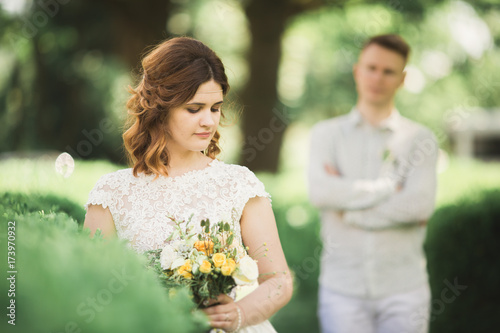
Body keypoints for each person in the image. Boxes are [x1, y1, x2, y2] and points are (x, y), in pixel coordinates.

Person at [83, 37, 292, 333]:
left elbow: (279, 280)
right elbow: (90, 288)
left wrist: (238, 313)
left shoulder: (239, 184)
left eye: (215, 108)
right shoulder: (110, 193)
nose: (209, 121)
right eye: (194, 109)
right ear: (160, 108)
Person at [308, 34, 439, 333]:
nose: (378, 77)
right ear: (357, 71)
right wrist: (388, 189)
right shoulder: (325, 135)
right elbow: (320, 192)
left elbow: (419, 205)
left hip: (405, 290)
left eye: (388, 71)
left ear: (402, 79)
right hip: (342, 290)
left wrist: (350, 208)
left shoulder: (420, 139)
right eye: (371, 68)